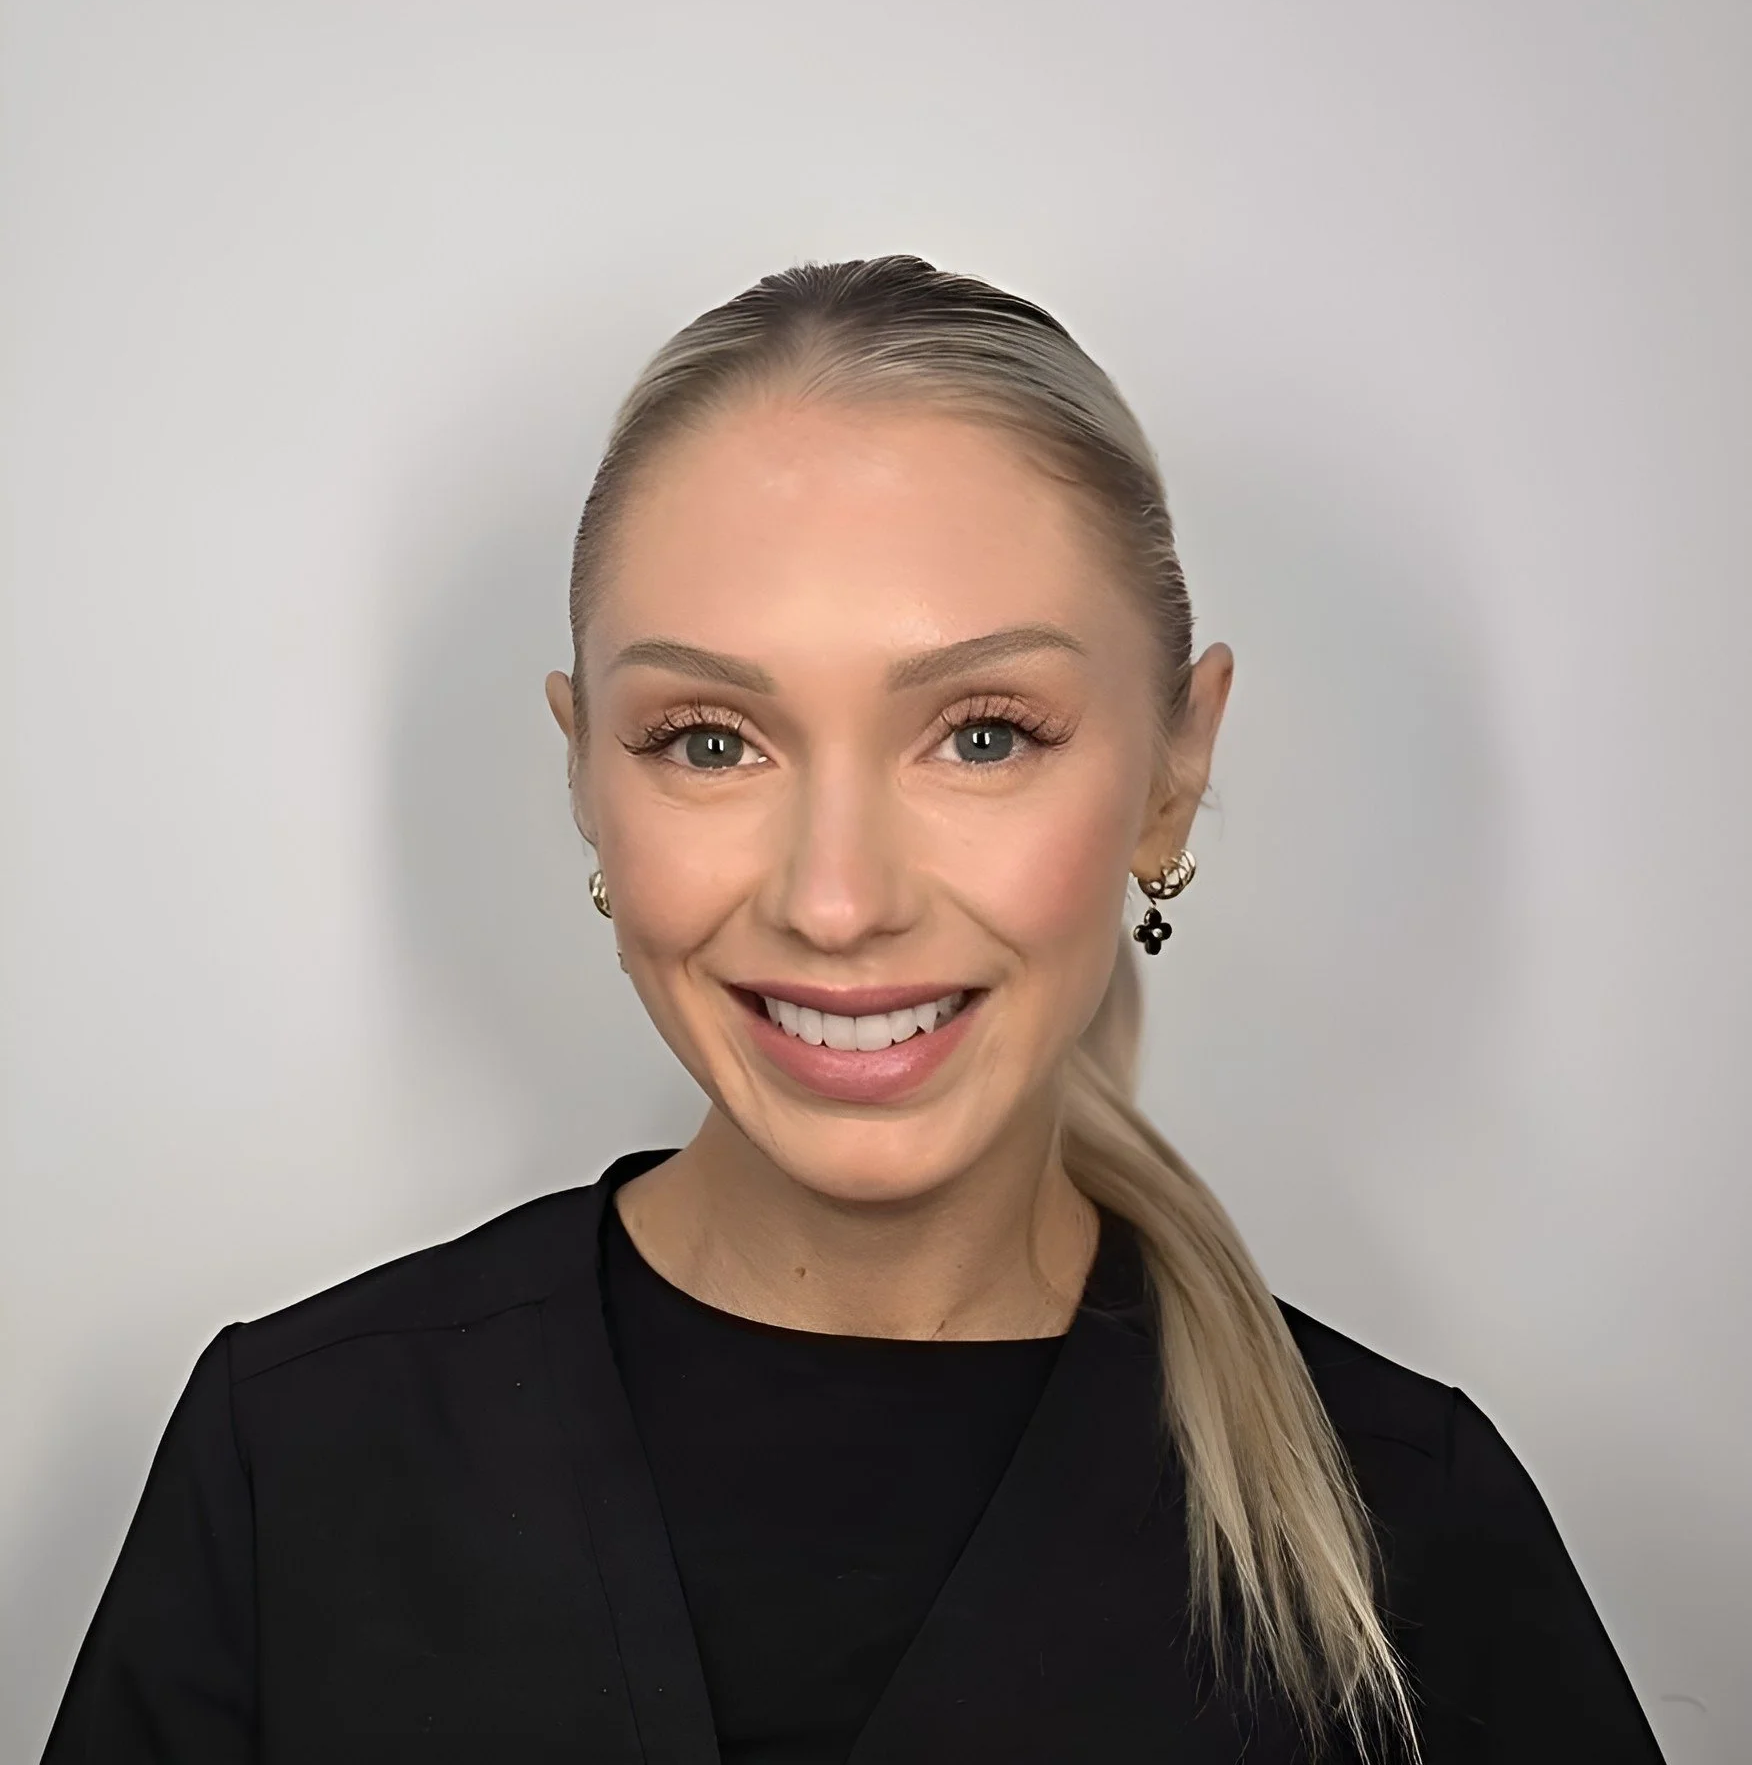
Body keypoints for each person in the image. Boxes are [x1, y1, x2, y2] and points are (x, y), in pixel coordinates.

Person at [43, 258, 1665, 1763]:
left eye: (981, 734)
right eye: (707, 740)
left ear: (1176, 770)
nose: (836, 900)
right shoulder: (295, 1464)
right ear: (585, 779)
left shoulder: (1414, 1532)